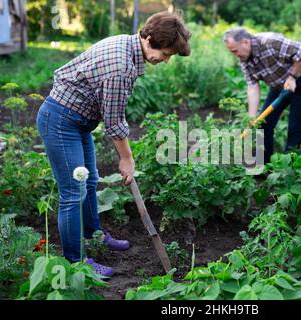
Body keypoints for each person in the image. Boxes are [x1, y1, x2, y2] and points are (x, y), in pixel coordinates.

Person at [36, 11, 192, 277]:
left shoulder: (127, 45)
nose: (165, 60)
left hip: (78, 120)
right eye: (166, 54)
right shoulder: (121, 65)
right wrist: (127, 158)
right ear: (150, 39)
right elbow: (113, 120)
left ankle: (94, 235)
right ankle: (76, 263)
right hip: (62, 121)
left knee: (91, 180)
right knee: (73, 192)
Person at [223, 27, 301, 163]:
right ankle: (264, 165)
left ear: (245, 42)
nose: (235, 55)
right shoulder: (244, 59)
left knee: (296, 126)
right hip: (279, 86)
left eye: (235, 51)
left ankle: (293, 166)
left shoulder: (269, 42)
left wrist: (292, 77)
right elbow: (253, 87)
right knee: (262, 124)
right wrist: (252, 118)